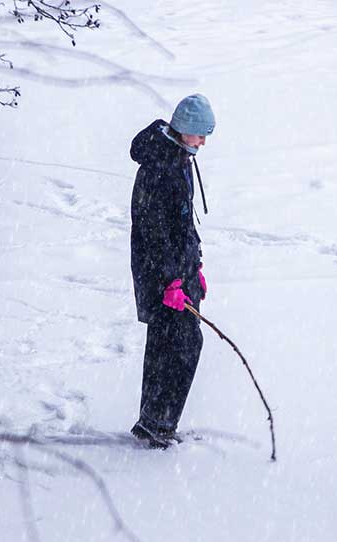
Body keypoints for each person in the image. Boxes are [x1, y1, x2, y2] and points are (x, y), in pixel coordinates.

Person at [128, 94, 215, 448]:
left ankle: (154, 421)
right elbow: (153, 230)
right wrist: (171, 281)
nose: (204, 142)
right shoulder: (160, 166)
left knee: (169, 343)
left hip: (178, 272)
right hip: (163, 275)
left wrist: (195, 268)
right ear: (184, 130)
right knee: (181, 343)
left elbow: (182, 223)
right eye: (200, 134)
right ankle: (159, 424)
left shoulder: (177, 157)